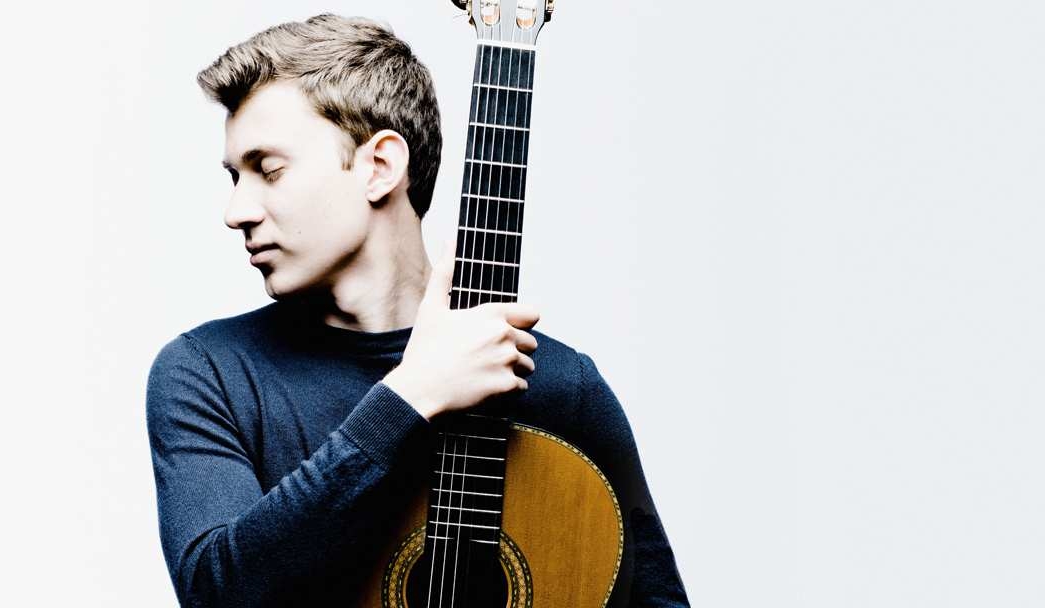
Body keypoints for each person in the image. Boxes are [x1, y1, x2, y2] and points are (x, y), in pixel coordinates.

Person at [146, 14, 690, 607]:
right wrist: (410, 395)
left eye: (269, 170)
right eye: (235, 177)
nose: (236, 212)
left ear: (380, 167)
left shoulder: (562, 386)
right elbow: (216, 593)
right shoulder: (208, 373)